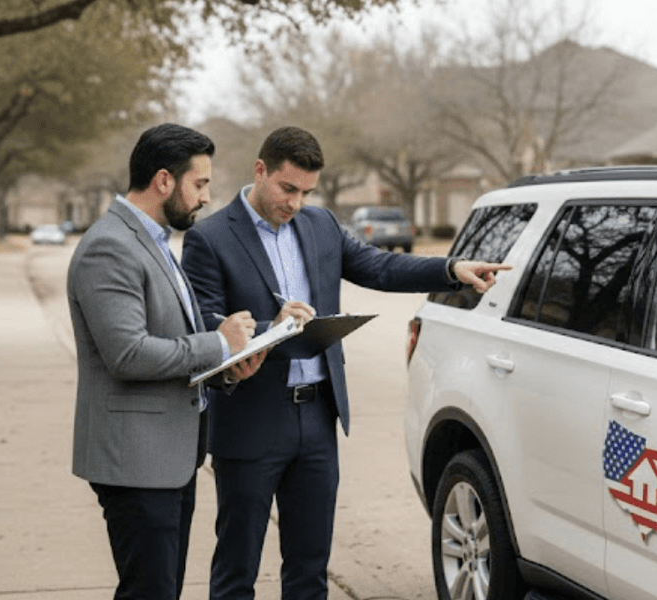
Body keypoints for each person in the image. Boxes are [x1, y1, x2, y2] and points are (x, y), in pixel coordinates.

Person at [180, 125, 510, 600]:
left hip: (317, 420)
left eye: (305, 192)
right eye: (286, 188)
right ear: (260, 170)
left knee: (311, 568)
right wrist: (269, 329)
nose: (295, 202)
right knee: (237, 567)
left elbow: (379, 266)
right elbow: (207, 325)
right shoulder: (210, 239)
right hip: (250, 421)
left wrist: (449, 269)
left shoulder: (322, 226)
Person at [68, 123, 266, 600]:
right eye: (199, 184)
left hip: (170, 457)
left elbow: (171, 339)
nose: (205, 197)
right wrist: (217, 344)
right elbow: (128, 353)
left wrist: (228, 366)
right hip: (136, 461)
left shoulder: (154, 240)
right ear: (163, 181)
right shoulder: (109, 246)